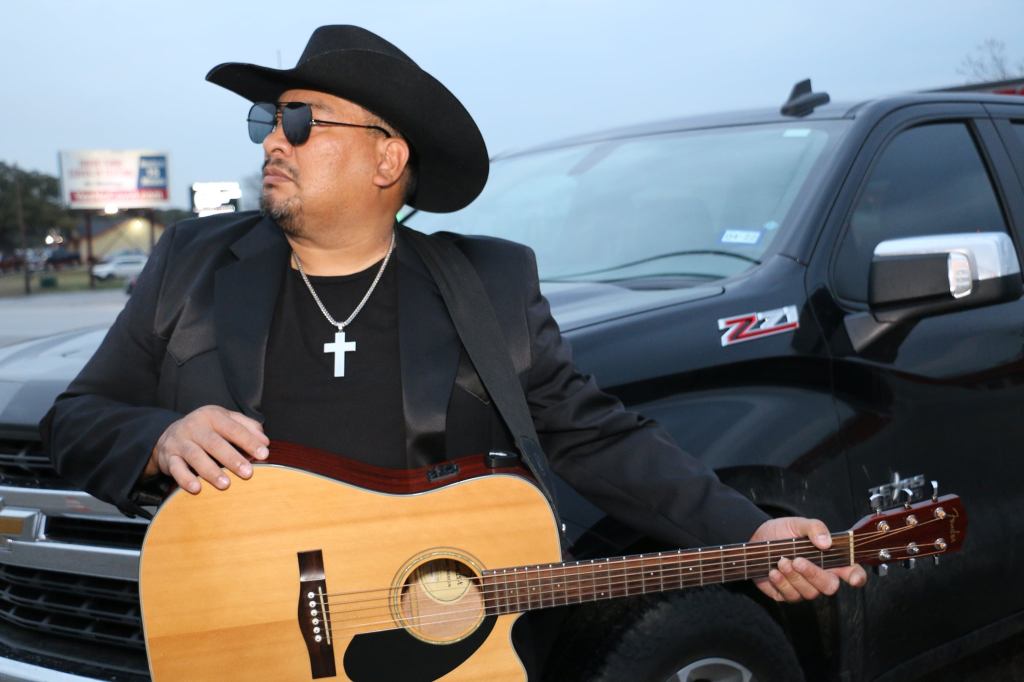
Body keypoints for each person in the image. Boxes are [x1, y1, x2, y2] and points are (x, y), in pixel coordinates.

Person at [41, 24, 865, 678]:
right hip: (240, 648)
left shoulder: (488, 287)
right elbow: (75, 419)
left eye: (298, 120)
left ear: (387, 158)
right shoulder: (192, 265)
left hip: (443, 658)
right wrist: (158, 437)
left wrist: (748, 530)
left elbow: (594, 435)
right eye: (268, 120)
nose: (271, 143)